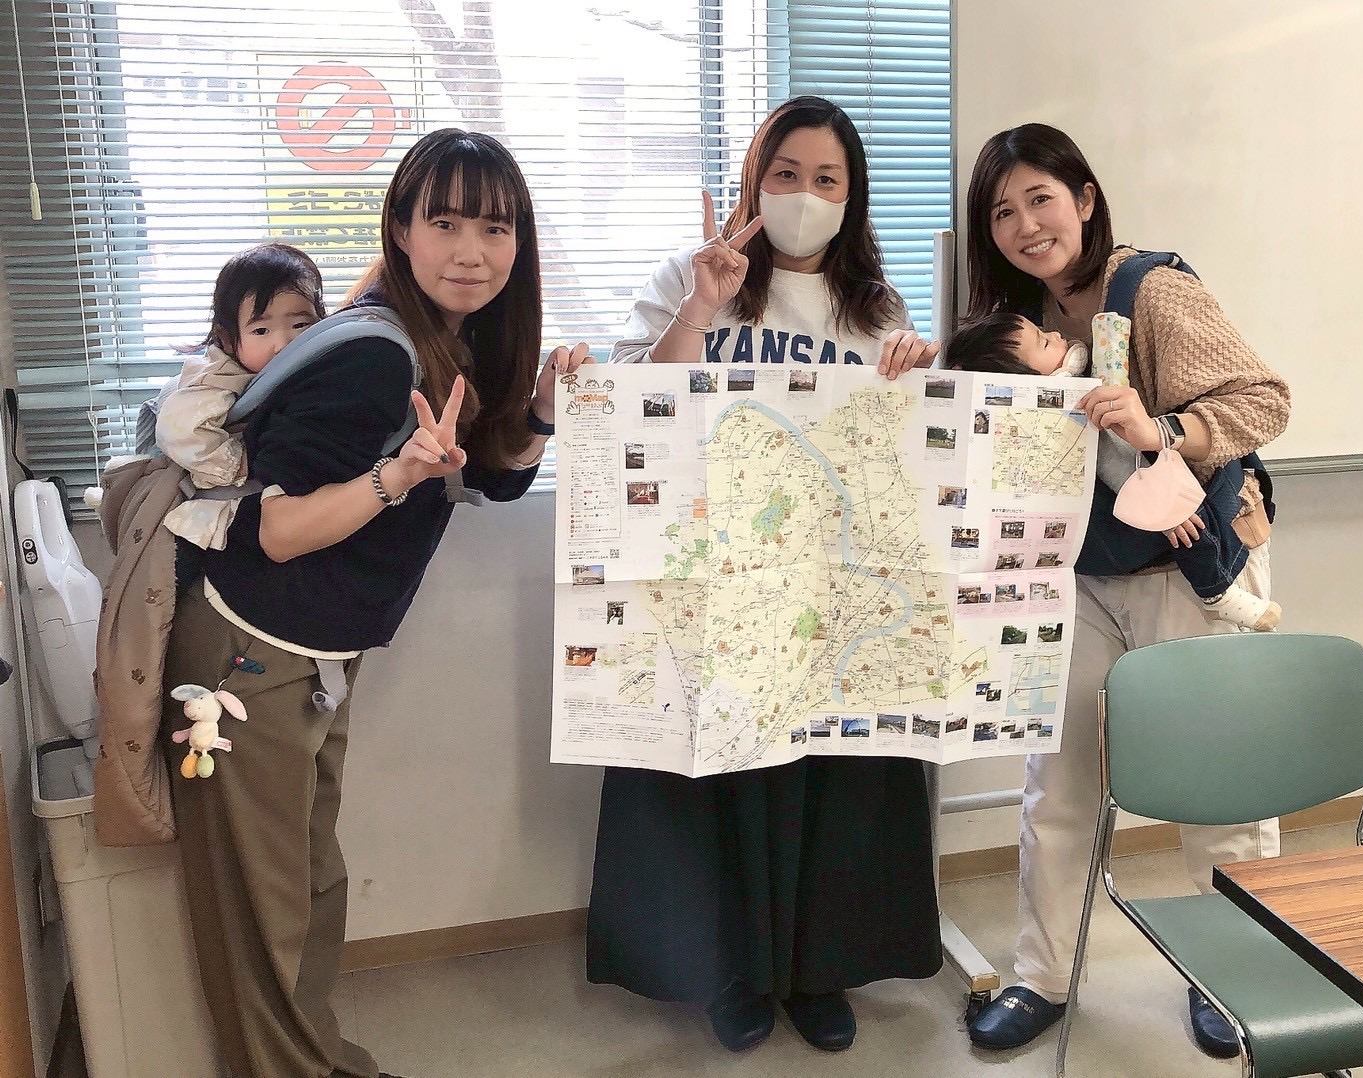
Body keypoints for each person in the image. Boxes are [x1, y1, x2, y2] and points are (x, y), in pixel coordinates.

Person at [162, 128, 589, 1078]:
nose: (471, 252)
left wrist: (542, 410)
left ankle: (317, 1058)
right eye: (446, 223)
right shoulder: (371, 354)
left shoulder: (449, 338)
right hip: (246, 656)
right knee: (265, 904)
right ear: (400, 228)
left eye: (495, 227)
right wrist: (396, 477)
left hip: (312, 651)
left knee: (309, 880)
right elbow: (274, 530)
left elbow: (495, 479)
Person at [589, 95, 943, 1055]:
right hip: (712, 581)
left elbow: (898, 449)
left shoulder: (875, 307)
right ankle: (731, 974)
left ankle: (819, 972)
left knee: (832, 781)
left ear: (852, 197)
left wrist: (919, 376)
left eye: (827, 179)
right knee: (723, 782)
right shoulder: (691, 275)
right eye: (785, 174)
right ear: (753, 180)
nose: (804, 196)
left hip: (827, 587)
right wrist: (701, 307)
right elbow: (627, 407)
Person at [958, 123, 1290, 1059]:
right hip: (1076, 577)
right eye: (1003, 212)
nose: (1026, 225)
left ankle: (1229, 973)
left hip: (1187, 570)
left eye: (1041, 199)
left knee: (1220, 781)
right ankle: (1042, 977)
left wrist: (1164, 430)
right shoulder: (1015, 317)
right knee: (1056, 783)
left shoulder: (1151, 290)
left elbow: (1264, 399)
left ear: (1085, 199)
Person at [944, 311, 1282, 631]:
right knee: (1192, 529)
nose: (1056, 334)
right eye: (1044, 342)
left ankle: (1218, 589)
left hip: (1129, 537)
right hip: (1140, 510)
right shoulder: (1073, 408)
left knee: (1193, 526)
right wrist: (1164, 509)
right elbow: (1115, 461)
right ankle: (1217, 592)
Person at [157, 242, 325, 552]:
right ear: (228, 338)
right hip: (222, 514)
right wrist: (240, 463)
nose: (283, 343)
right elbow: (179, 429)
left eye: (300, 325)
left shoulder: (312, 368)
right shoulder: (218, 376)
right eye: (261, 331)